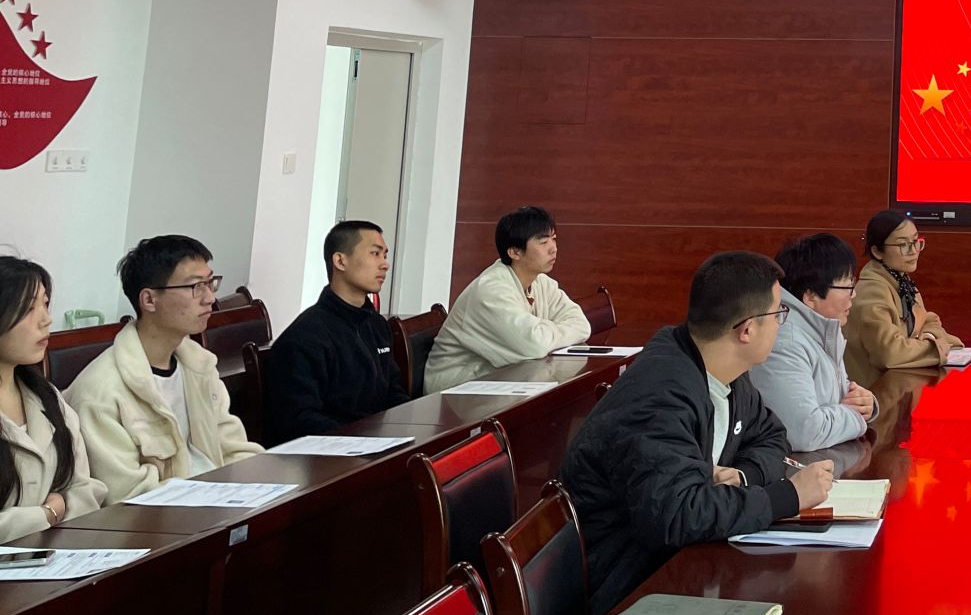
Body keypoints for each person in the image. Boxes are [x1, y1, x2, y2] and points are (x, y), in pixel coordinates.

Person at [559, 251, 835, 615]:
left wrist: (743, 476)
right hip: (626, 591)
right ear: (747, 330)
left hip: (678, 567)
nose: (781, 325)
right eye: (778, 314)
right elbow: (677, 515)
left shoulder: (723, 370)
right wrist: (787, 497)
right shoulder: (660, 396)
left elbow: (771, 435)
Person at [70, 235, 262, 502]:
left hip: (219, 505)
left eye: (210, 283)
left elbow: (233, 449)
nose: (210, 298)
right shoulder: (100, 392)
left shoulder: (200, 365)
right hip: (167, 518)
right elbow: (129, 495)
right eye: (196, 286)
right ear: (149, 300)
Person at [264, 220, 407, 444]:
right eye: (375, 254)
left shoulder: (376, 324)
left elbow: (393, 393)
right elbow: (300, 419)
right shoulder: (306, 336)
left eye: (385, 255)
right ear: (340, 261)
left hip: (376, 443)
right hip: (333, 452)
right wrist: (364, 440)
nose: (384, 264)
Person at [424, 206, 591, 393]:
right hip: (456, 389)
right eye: (544, 242)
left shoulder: (541, 282)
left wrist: (542, 331)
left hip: (500, 380)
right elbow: (534, 346)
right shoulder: (491, 290)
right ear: (514, 252)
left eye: (554, 239)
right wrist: (546, 332)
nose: (553, 249)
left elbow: (582, 325)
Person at [0, 257, 104, 540]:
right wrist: (46, 514)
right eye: (28, 308)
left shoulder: (47, 396)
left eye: (45, 304)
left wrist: (61, 511)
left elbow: (85, 490)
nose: (46, 319)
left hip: (58, 555)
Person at [755, 233, 876, 451]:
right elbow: (804, 432)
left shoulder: (821, 329)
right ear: (810, 296)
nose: (854, 294)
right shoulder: (785, 340)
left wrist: (864, 403)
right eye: (847, 286)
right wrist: (856, 416)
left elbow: (837, 399)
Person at [845, 211, 962, 387]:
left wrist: (929, 337)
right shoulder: (872, 291)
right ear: (877, 251)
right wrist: (937, 347)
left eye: (915, 242)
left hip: (900, 387)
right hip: (874, 394)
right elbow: (889, 353)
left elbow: (928, 320)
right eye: (903, 244)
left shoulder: (902, 281)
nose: (913, 251)